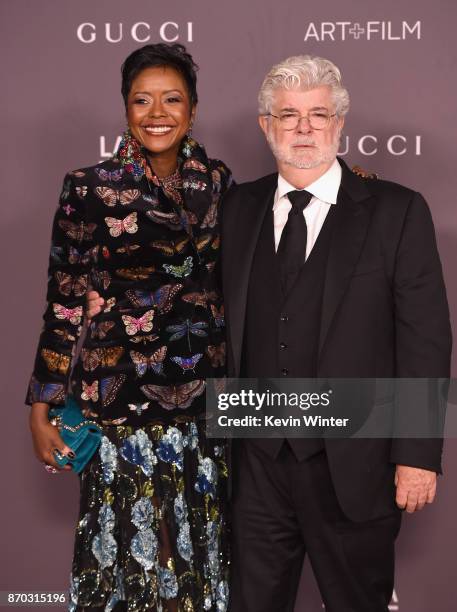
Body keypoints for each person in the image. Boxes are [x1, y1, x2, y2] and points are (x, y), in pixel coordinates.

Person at [219, 56, 452, 611]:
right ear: (265, 125)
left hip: (355, 464)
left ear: (340, 126)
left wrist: (417, 454)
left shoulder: (397, 211)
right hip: (255, 463)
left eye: (318, 115)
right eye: (289, 115)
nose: (303, 128)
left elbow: (426, 337)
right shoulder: (235, 208)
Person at [27, 43, 231, 612]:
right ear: (125, 109)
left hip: (204, 405)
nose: (157, 112)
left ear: (193, 108)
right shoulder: (88, 187)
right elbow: (65, 303)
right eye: (142, 100)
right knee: (119, 559)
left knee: (197, 559)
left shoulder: (217, 183)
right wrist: (41, 406)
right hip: (119, 402)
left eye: (172, 99)